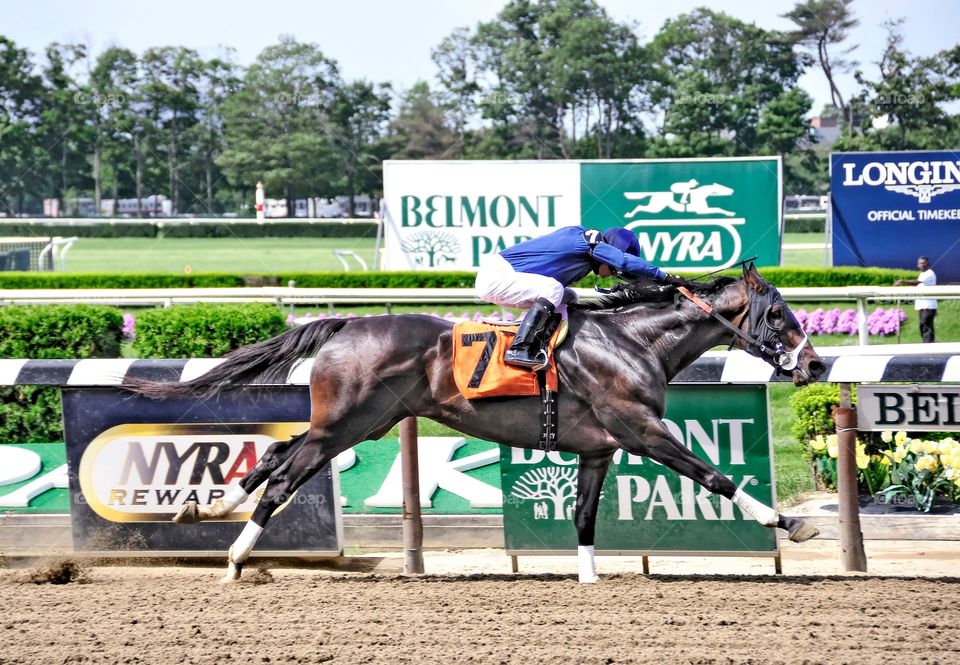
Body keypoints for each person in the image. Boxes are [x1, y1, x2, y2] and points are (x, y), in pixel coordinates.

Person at [475, 225, 686, 370]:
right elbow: (622, 261)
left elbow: (626, 269)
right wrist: (665, 276)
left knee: (569, 297)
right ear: (608, 251)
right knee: (553, 289)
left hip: (504, 277)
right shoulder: (587, 240)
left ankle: (551, 349)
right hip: (496, 276)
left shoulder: (588, 256)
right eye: (612, 268)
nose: (613, 273)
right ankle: (519, 349)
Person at [895, 256, 937, 343]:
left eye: (922, 263)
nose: (920, 265)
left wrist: (902, 281)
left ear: (927, 264)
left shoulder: (929, 273)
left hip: (928, 305)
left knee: (926, 326)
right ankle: (927, 344)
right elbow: (916, 284)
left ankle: (928, 345)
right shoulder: (922, 274)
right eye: (919, 263)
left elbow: (916, 282)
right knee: (923, 325)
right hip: (922, 305)